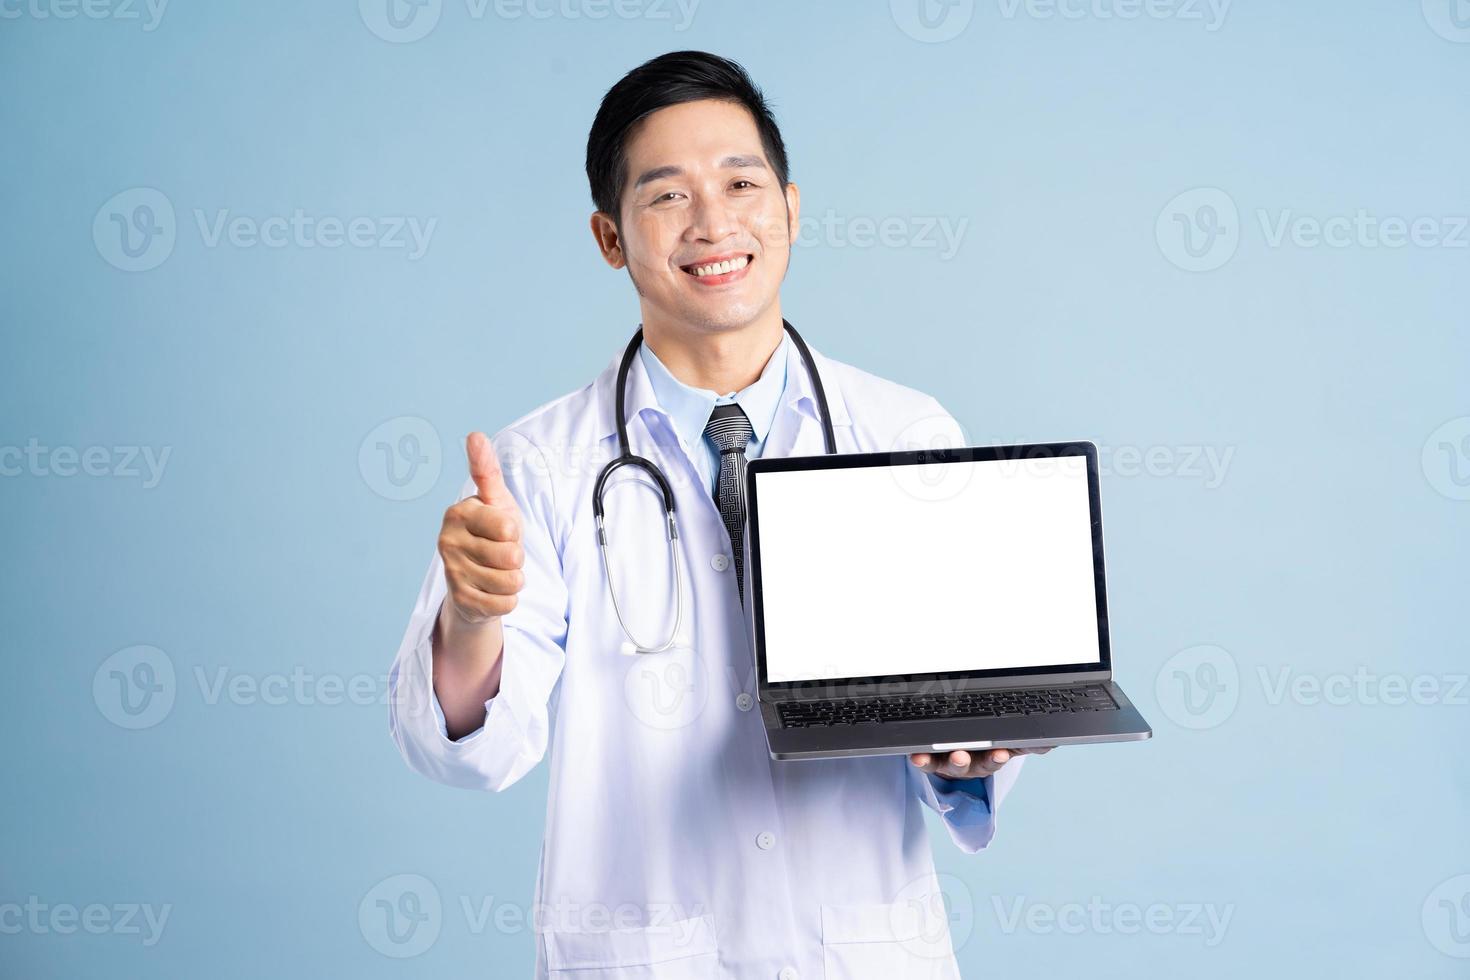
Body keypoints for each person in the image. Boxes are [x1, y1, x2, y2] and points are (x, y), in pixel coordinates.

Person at [388, 50, 1043, 979]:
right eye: (665, 196)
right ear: (609, 237)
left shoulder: (903, 432)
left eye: (741, 183)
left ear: (790, 209)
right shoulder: (538, 469)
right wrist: (472, 616)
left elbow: (961, 723)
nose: (713, 222)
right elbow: (463, 754)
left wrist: (971, 752)